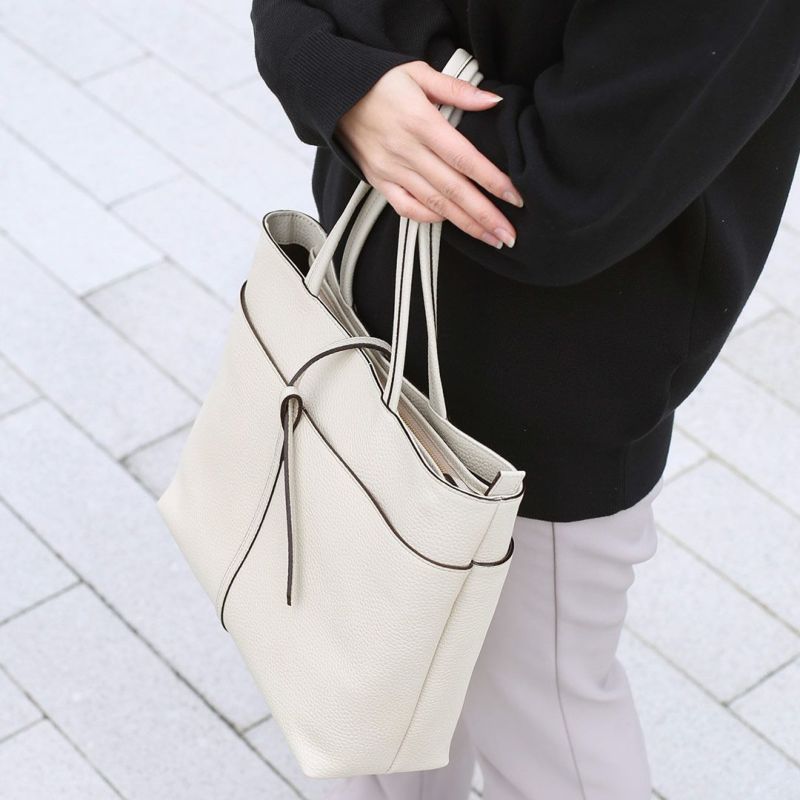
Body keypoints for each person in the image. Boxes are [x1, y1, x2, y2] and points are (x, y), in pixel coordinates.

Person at [250, 2, 800, 798]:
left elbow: (562, 191)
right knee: (370, 710)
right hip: (364, 324)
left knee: (544, 734)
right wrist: (334, 73)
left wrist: (356, 77)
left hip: (541, 412)